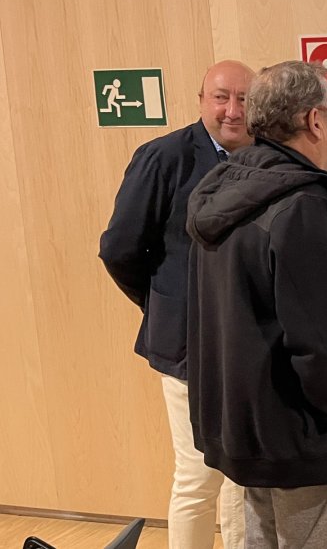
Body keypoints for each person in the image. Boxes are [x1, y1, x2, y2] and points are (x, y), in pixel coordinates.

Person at [185, 61, 327, 549]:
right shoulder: (302, 206)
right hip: (301, 431)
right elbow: (319, 342)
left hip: (242, 426)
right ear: (315, 121)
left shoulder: (225, 187)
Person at [99, 60, 253, 549]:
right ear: (201, 99)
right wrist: (164, 303)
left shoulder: (263, 159)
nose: (232, 110)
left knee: (242, 476)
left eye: (244, 99)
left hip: (247, 343)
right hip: (189, 343)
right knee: (197, 477)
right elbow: (120, 247)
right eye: (221, 97)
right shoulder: (163, 157)